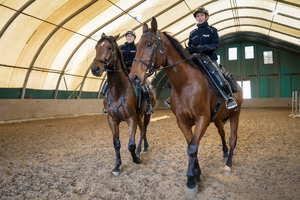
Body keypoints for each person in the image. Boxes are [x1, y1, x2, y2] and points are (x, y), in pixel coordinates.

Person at [187, 7, 237, 110]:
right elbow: (190, 46)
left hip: (209, 58)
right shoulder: (192, 33)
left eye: (201, 15)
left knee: (219, 75)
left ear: (207, 17)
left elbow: (216, 45)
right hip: (195, 59)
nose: (199, 17)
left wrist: (204, 48)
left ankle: (229, 98)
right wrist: (188, 50)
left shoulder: (212, 31)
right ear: (196, 18)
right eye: (197, 16)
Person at [101, 30, 154, 115]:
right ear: (126, 38)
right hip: (121, 69)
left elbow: (139, 58)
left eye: (131, 36)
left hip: (132, 70)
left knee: (143, 86)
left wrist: (130, 63)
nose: (129, 37)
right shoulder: (121, 47)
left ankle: (148, 105)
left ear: (134, 38)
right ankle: (107, 105)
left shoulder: (137, 47)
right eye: (128, 36)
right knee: (109, 82)